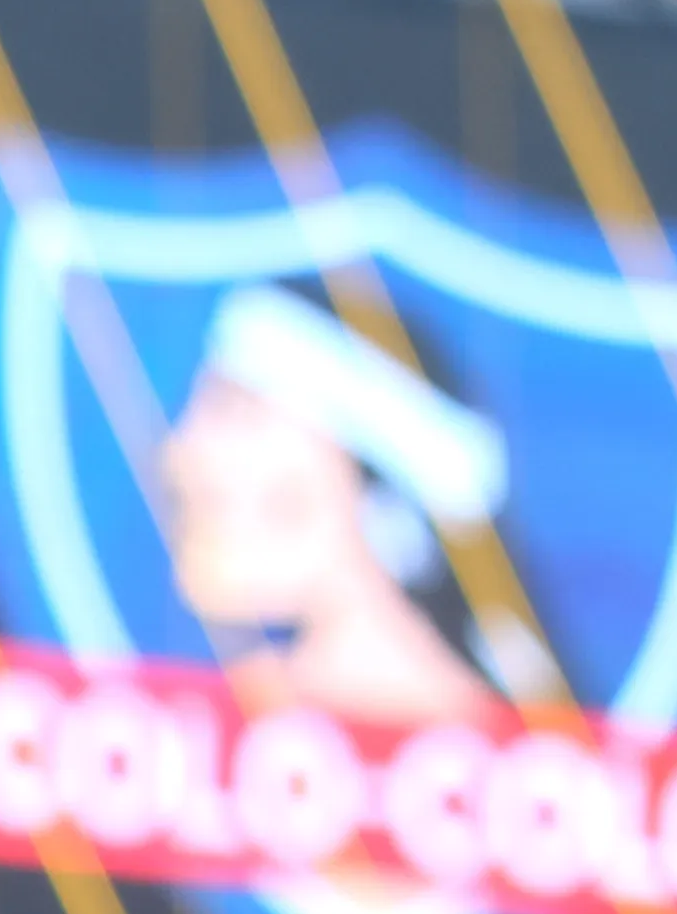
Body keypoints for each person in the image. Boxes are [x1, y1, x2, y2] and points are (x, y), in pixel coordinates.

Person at [162, 281, 511, 727]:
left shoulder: (499, 748)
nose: (183, 449)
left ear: (377, 487)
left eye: (234, 410)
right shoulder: (215, 722)